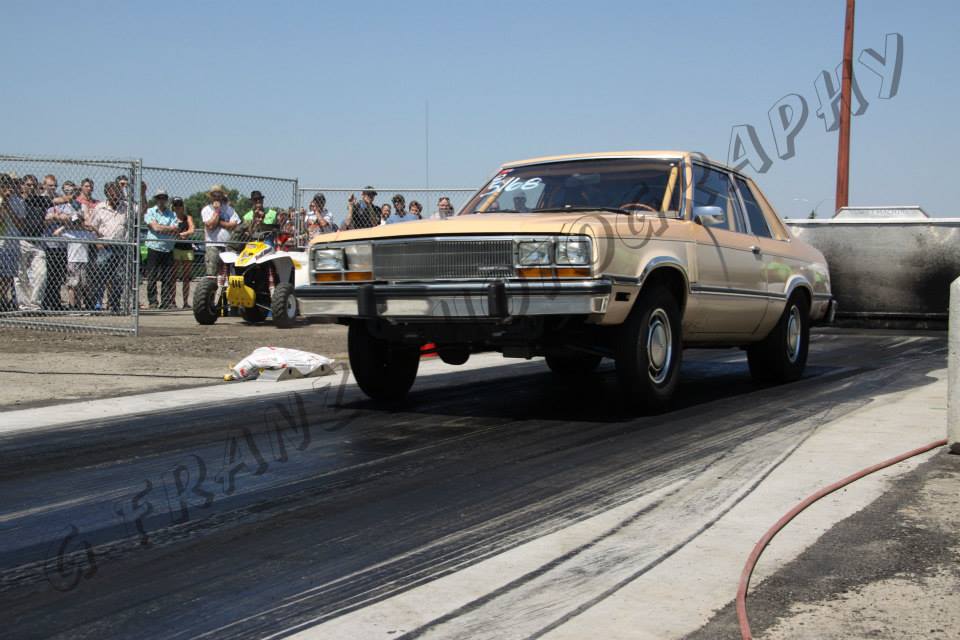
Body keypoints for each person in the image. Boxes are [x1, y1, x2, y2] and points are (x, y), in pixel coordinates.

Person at [87, 182, 131, 314]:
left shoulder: (127, 207)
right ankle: (96, 304)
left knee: (118, 277)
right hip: (103, 246)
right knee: (99, 276)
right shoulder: (100, 208)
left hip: (121, 245)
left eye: (117, 193)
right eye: (112, 194)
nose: (115, 196)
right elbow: (91, 227)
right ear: (107, 194)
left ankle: (114, 304)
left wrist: (138, 190)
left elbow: (142, 211)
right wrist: (97, 242)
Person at [43, 181, 84, 310]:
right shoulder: (50, 202)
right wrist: (59, 217)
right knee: (49, 275)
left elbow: (75, 218)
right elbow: (46, 218)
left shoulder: (72, 205)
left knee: (60, 276)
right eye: (66, 191)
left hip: (64, 245)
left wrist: (60, 219)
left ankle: (55, 302)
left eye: (71, 191)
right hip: (49, 244)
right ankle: (47, 302)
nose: (69, 193)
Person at [14, 175, 50, 311]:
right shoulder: (18, 201)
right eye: (28, 185)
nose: (31, 187)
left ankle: (35, 304)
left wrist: (70, 194)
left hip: (37, 242)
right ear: (23, 186)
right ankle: (23, 305)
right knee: (20, 275)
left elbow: (58, 200)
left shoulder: (41, 201)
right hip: (21, 240)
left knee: (41, 273)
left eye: (34, 185)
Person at [143, 189, 179, 309]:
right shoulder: (150, 211)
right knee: (152, 276)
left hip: (168, 249)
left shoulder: (172, 214)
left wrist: (161, 227)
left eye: (163, 198)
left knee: (167, 277)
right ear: (156, 199)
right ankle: (153, 302)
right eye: (159, 198)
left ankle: (166, 301)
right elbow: (154, 227)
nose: (161, 200)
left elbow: (175, 228)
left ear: (166, 199)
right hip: (154, 247)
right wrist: (167, 228)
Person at [200, 185, 240, 277]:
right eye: (214, 195)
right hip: (212, 245)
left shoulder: (229, 209)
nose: (217, 197)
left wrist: (219, 223)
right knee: (212, 275)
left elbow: (235, 225)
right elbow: (210, 226)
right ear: (211, 197)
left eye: (219, 195)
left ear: (222, 196)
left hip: (227, 245)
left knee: (228, 275)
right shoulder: (206, 209)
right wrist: (217, 211)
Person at [0, 175, 21, 311]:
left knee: (8, 276)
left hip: (12, 244)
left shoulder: (17, 201)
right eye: (4, 187)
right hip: (1, 243)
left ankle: (2, 299)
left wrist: (7, 206)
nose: (8, 190)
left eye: (9, 186)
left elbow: (20, 224)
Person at [171, 196, 195, 309]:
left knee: (186, 277)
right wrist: (181, 234)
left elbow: (192, 229)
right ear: (173, 207)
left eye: (180, 205)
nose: (178, 207)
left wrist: (181, 234)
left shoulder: (187, 217)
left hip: (187, 248)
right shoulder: (171, 217)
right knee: (173, 276)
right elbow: (170, 230)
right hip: (175, 247)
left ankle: (185, 302)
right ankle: (172, 301)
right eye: (176, 205)